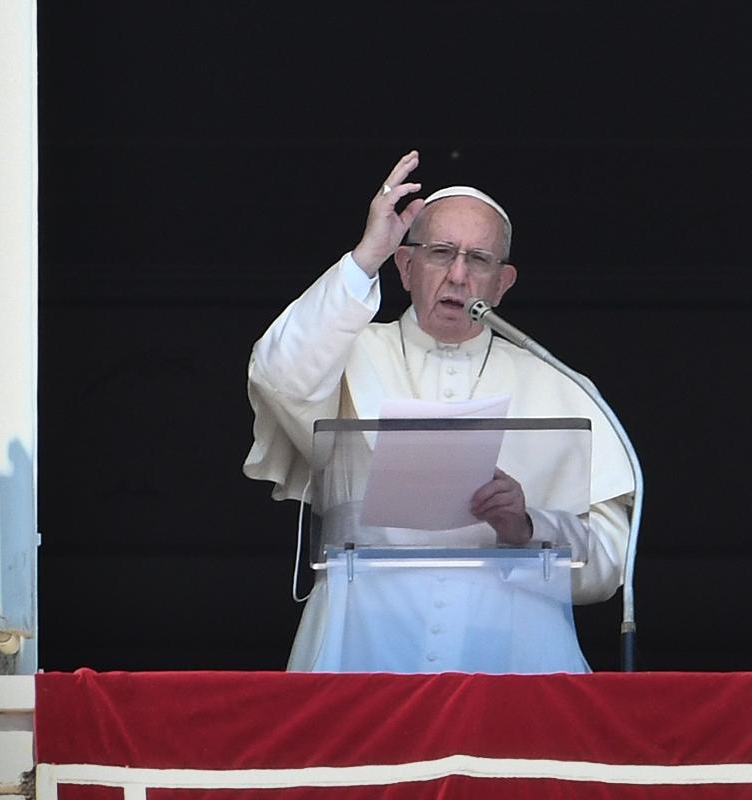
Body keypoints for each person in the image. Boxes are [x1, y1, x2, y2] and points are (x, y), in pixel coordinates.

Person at [245, 151, 634, 672]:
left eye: (479, 260)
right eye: (440, 253)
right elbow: (276, 373)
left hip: (513, 656)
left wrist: (526, 527)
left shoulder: (559, 383)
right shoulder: (346, 352)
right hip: (360, 642)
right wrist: (367, 255)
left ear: (503, 283)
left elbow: (608, 565)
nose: (457, 275)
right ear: (405, 267)